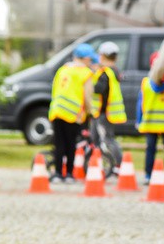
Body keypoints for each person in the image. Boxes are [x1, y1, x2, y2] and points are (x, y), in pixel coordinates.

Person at [48, 43, 96, 183]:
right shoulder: (85, 73)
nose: (91, 62)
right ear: (85, 58)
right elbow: (87, 97)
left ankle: (57, 173)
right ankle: (69, 174)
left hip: (56, 110)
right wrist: (90, 112)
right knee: (70, 144)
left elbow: (55, 89)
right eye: (90, 59)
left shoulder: (62, 70)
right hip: (73, 113)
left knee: (59, 143)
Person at [89, 41, 126, 172]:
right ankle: (98, 163)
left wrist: (90, 82)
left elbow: (99, 89)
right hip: (103, 112)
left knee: (107, 139)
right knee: (95, 138)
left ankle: (119, 165)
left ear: (103, 55)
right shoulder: (114, 70)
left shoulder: (106, 73)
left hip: (104, 112)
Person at [138, 51, 164, 184]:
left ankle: (148, 175)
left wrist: (139, 120)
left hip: (150, 123)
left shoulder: (146, 82)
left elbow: (140, 104)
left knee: (150, 149)